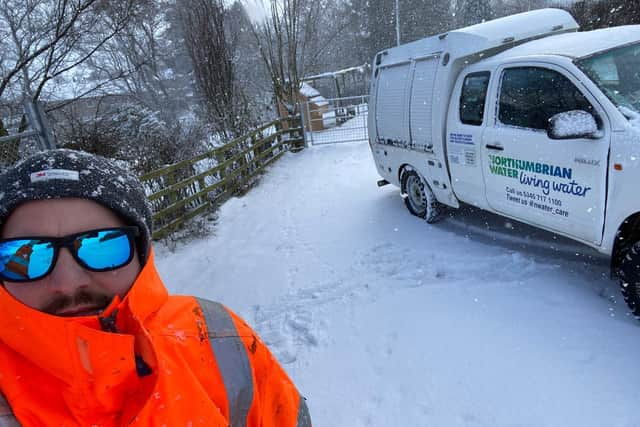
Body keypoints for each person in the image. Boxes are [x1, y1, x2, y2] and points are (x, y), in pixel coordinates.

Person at [0, 149, 311, 427]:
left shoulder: (219, 336)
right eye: (26, 254)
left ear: (140, 252)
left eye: (102, 246)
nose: (67, 283)